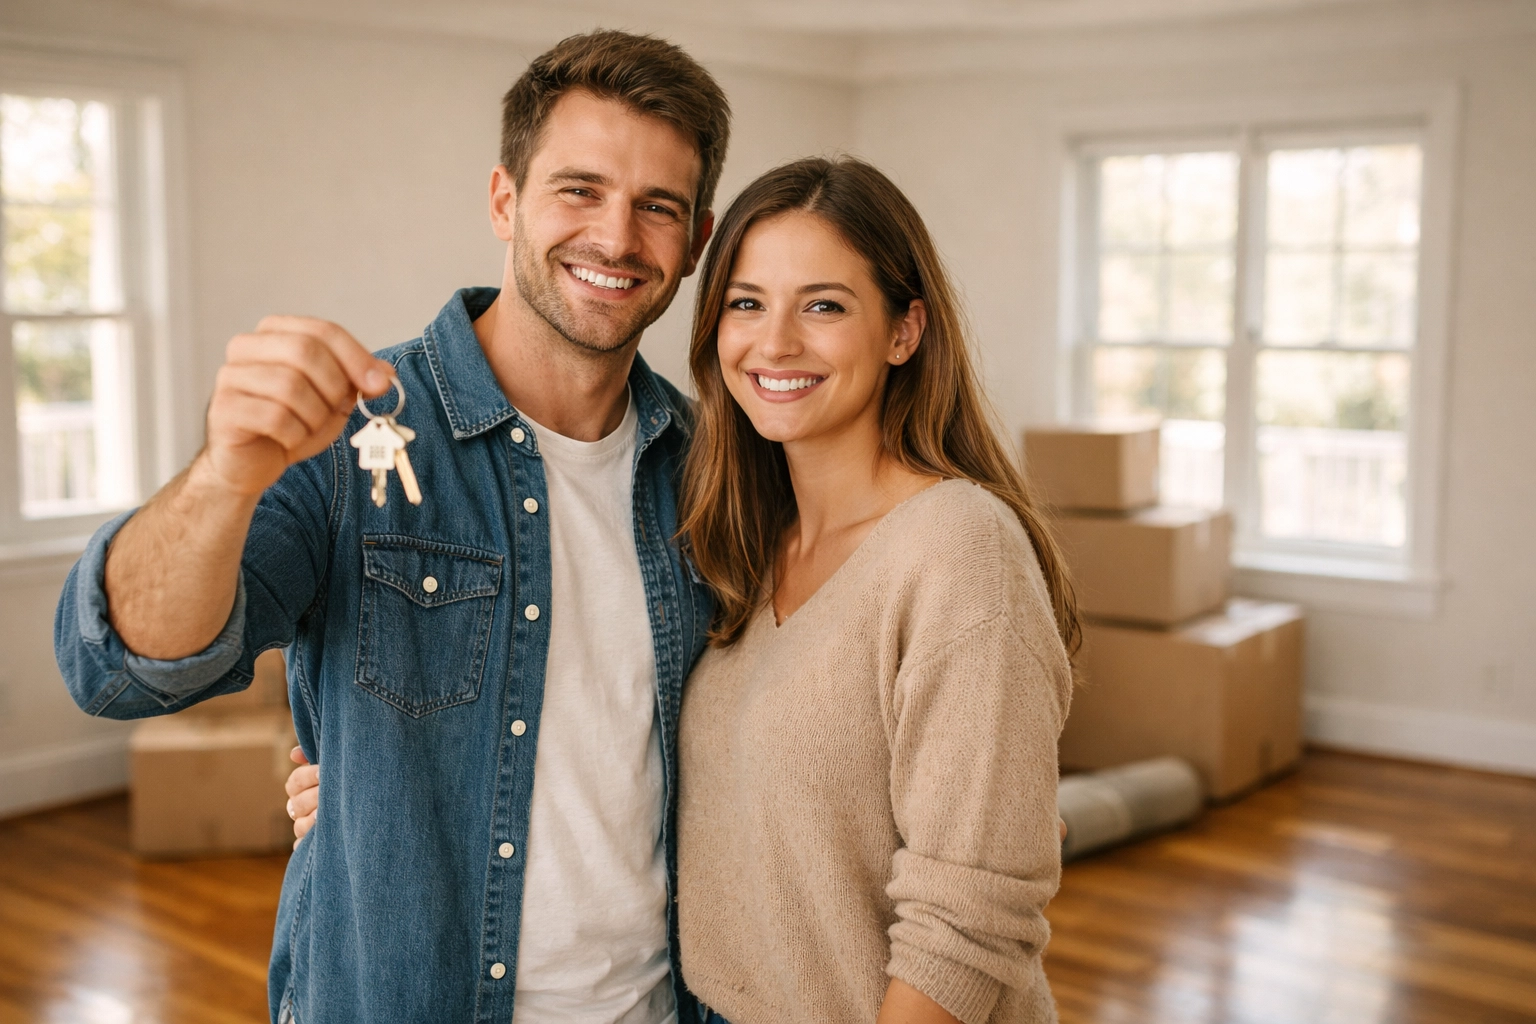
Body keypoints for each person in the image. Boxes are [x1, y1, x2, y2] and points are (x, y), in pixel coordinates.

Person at [291, 157, 1081, 1023]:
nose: (775, 343)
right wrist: (381, 787)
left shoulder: (957, 548)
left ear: (904, 331)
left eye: (824, 305)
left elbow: (969, 918)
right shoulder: (735, 542)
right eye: (747, 303)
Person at [54, 30, 729, 1024]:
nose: (618, 238)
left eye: (657, 207)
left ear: (697, 238)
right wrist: (225, 474)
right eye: (578, 190)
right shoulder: (357, 433)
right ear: (505, 199)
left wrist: (364, 796)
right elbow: (119, 668)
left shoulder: (711, 468)